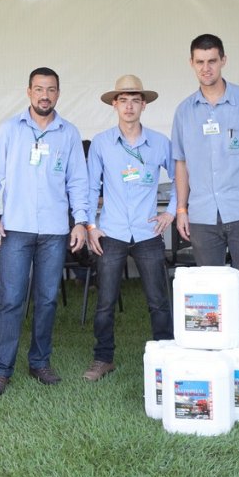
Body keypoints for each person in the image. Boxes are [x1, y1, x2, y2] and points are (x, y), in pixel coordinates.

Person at [0, 67, 89, 397]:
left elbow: (78, 181)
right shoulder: (10, 129)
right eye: (39, 89)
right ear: (28, 92)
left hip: (54, 230)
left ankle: (39, 362)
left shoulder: (68, 133)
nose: (45, 95)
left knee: (47, 299)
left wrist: (80, 221)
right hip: (16, 227)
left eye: (51, 89)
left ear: (58, 93)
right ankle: (1, 370)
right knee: (11, 301)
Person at [171, 34, 239, 341]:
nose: (206, 68)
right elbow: (180, 162)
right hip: (203, 215)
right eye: (200, 62)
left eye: (212, 61)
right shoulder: (184, 111)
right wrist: (182, 208)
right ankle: (215, 351)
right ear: (191, 63)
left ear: (223, 61)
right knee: (210, 292)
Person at [84, 75, 175, 381]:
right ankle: (103, 358)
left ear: (144, 105)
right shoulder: (101, 143)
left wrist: (172, 212)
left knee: (158, 300)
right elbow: (89, 187)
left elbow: (182, 178)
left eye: (135, 100)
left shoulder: (159, 142)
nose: (129, 106)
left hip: (148, 232)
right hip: (111, 232)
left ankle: (165, 356)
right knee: (105, 301)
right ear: (115, 105)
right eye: (123, 100)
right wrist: (91, 225)